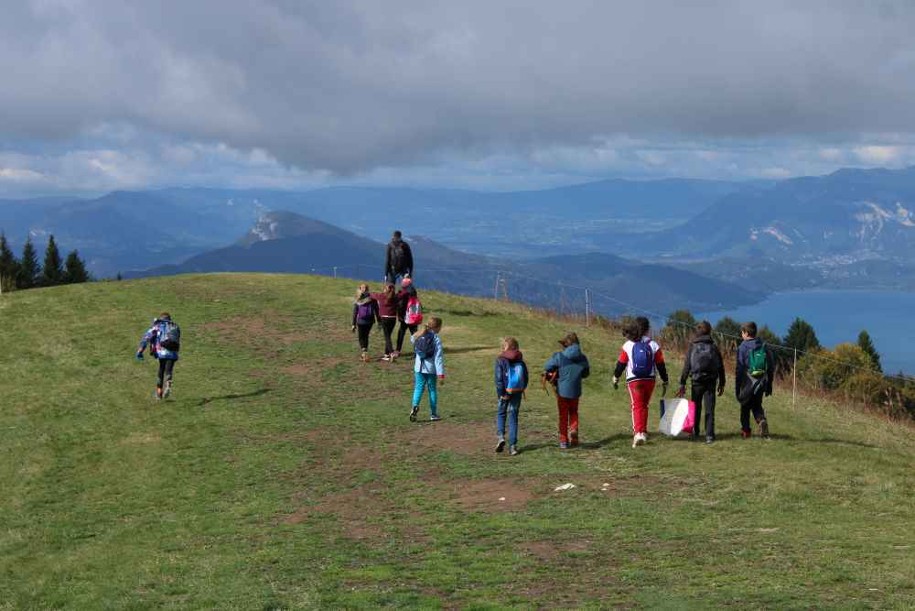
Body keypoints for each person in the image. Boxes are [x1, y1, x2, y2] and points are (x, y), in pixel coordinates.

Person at [613, 316, 669, 448]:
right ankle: (643, 431)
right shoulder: (653, 345)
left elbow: (621, 363)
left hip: (634, 380)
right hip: (650, 379)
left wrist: (616, 376)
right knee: (644, 405)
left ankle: (638, 433)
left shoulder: (628, 345)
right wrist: (665, 379)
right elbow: (660, 364)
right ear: (647, 329)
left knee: (636, 405)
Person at [676, 320, 726, 444]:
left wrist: (682, 382)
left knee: (695, 407)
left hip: (696, 381)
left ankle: (695, 431)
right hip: (710, 382)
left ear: (697, 332)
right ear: (709, 332)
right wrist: (722, 383)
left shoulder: (693, 346)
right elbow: (720, 366)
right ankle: (709, 435)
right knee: (709, 408)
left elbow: (687, 366)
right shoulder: (713, 347)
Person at [543, 332, 590, 449]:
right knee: (574, 412)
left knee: (563, 415)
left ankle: (563, 440)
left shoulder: (560, 356)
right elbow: (586, 373)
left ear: (565, 345)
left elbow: (547, 367)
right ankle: (573, 429)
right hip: (576, 390)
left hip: (562, 391)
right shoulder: (582, 358)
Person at [735, 321, 773, 439]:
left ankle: (746, 431)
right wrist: (769, 385)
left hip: (747, 381)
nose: (742, 335)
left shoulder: (742, 347)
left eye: (742, 332)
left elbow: (739, 368)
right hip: (761, 381)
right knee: (757, 404)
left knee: (745, 406)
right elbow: (771, 367)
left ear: (746, 333)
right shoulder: (763, 346)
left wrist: (737, 387)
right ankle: (761, 420)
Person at [494, 337, 529, 456]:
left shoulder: (500, 360)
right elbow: (526, 378)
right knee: (513, 416)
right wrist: (521, 389)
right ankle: (513, 446)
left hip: (505, 392)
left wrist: (502, 394)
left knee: (501, 413)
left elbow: (499, 380)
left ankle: (501, 437)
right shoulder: (521, 361)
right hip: (517, 392)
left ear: (504, 348)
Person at [135, 312, 180, 400]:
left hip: (161, 351)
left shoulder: (157, 325)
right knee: (169, 369)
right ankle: (168, 381)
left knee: (161, 369)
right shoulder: (175, 326)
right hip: (173, 352)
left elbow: (146, 338)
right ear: (169, 318)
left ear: (161, 318)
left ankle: (159, 392)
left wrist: (140, 351)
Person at [410, 317, 445, 422]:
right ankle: (433, 414)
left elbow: (412, 339)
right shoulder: (436, 339)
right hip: (431, 369)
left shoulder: (420, 334)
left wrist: (420, 332)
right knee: (432, 390)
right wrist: (441, 375)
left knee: (418, 388)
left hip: (419, 368)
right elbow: (438, 358)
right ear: (437, 328)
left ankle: (414, 407)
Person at [351, 283, 380, 362]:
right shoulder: (372, 299)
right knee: (366, 336)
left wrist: (353, 324)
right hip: (370, 321)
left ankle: (364, 352)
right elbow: (377, 310)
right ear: (368, 289)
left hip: (361, 321)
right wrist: (379, 321)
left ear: (360, 289)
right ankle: (365, 351)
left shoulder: (358, 298)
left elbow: (355, 312)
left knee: (361, 337)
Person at [371, 283, 398, 361]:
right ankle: (386, 355)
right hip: (393, 318)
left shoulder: (382, 296)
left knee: (387, 337)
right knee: (388, 336)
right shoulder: (395, 297)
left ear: (386, 289)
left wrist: (367, 292)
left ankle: (391, 352)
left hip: (384, 318)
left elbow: (373, 295)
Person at [394, 277, 421, 357]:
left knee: (401, 333)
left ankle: (398, 350)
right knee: (414, 333)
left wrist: (399, 314)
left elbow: (401, 305)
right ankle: (417, 351)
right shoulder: (413, 291)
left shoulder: (404, 292)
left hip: (406, 316)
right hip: (413, 316)